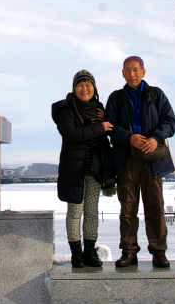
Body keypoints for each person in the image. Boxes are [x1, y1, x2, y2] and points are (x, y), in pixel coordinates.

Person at [106, 56, 175, 268]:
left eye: (136, 69)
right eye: (128, 70)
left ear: (143, 71)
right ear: (122, 73)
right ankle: (129, 252)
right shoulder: (116, 98)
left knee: (155, 207)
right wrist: (129, 138)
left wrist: (155, 138)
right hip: (126, 158)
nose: (132, 73)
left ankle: (159, 252)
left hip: (152, 159)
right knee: (128, 209)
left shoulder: (156, 94)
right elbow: (109, 126)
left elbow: (171, 122)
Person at [52, 70, 115, 268]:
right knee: (74, 212)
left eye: (88, 84)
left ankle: (89, 252)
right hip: (74, 169)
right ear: (74, 88)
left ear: (94, 88)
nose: (85, 88)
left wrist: (108, 170)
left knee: (92, 212)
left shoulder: (99, 110)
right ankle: (76, 254)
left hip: (95, 169)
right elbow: (72, 134)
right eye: (80, 85)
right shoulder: (65, 109)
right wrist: (100, 127)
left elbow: (107, 137)